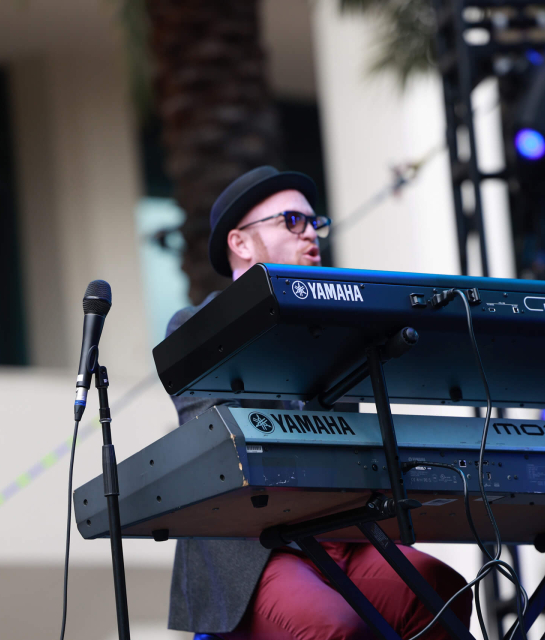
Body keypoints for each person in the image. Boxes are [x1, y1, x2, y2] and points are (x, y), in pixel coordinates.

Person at [165, 166, 472, 640]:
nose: (310, 232)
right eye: (292, 221)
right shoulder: (195, 326)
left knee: (440, 590)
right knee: (333, 628)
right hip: (257, 547)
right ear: (240, 243)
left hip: (342, 534)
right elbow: (219, 444)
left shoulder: (333, 326)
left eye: (315, 222)